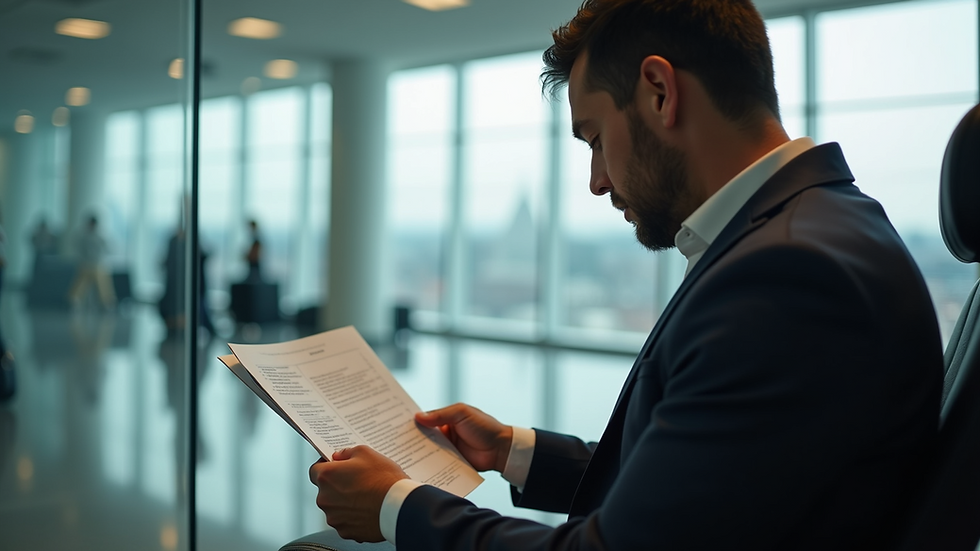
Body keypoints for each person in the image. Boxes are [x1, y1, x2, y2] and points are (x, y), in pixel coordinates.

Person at [308, 1, 944, 549]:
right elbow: (703, 487)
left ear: (659, 93)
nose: (596, 181)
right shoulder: (815, 230)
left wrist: (398, 507)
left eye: (593, 137)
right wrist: (514, 451)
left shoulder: (787, 276)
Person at [68, 214, 116, 310]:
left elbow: (108, 249)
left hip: (97, 264)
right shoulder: (82, 236)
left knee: (103, 283)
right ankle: (75, 300)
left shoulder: (100, 236)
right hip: (86, 264)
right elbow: (78, 250)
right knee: (81, 282)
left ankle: (107, 302)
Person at [244, 219, 263, 283]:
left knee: (254, 279)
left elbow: (255, 254)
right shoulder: (254, 239)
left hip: (254, 263)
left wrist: (249, 256)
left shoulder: (256, 239)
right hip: (253, 263)